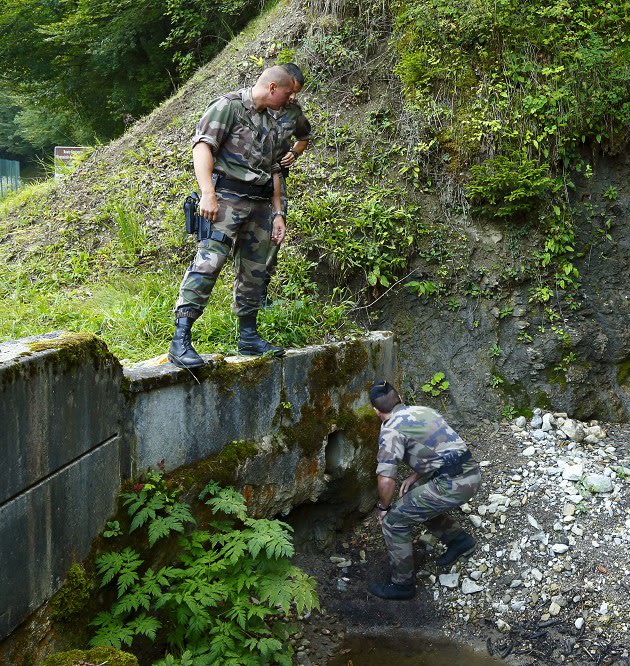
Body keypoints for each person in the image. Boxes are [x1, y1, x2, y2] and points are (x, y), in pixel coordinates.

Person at [168, 66, 295, 369]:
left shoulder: (272, 120)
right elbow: (202, 148)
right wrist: (207, 194)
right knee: (208, 263)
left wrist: (278, 213)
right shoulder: (228, 107)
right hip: (226, 202)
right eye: (288, 94)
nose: (291, 100)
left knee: (254, 271)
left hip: (261, 206)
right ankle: (180, 340)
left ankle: (249, 336)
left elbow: (275, 169)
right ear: (273, 87)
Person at [368, 380, 481, 600]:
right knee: (413, 500)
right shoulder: (423, 411)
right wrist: (416, 475)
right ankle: (460, 542)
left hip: (452, 484)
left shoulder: (390, 429)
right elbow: (440, 447)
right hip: (471, 473)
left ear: (375, 411)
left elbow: (386, 479)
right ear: (399, 397)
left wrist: (383, 508)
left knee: (394, 520)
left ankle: (402, 586)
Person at [261, 63, 312, 306]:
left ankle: (261, 291)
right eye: (290, 91)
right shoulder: (256, 105)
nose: (292, 96)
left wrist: (295, 153)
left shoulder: (294, 111)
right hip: (247, 178)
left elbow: (304, 137)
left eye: (296, 93)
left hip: (277, 180)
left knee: (275, 231)